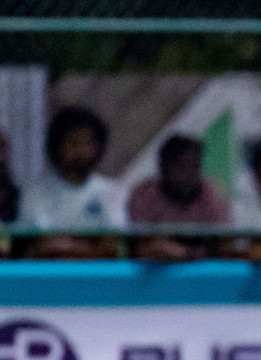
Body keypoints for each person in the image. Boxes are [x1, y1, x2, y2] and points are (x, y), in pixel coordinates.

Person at [20, 106, 125, 259]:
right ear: (57, 146)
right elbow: (43, 245)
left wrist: (66, 247)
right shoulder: (35, 193)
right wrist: (89, 248)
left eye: (88, 143)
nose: (81, 151)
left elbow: (112, 246)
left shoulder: (112, 192)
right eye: (73, 143)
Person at [128, 135, 231, 261]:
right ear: (164, 167)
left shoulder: (212, 195)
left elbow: (223, 246)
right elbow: (139, 246)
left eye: (194, 166)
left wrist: (186, 253)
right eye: (181, 166)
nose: (188, 173)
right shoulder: (144, 195)